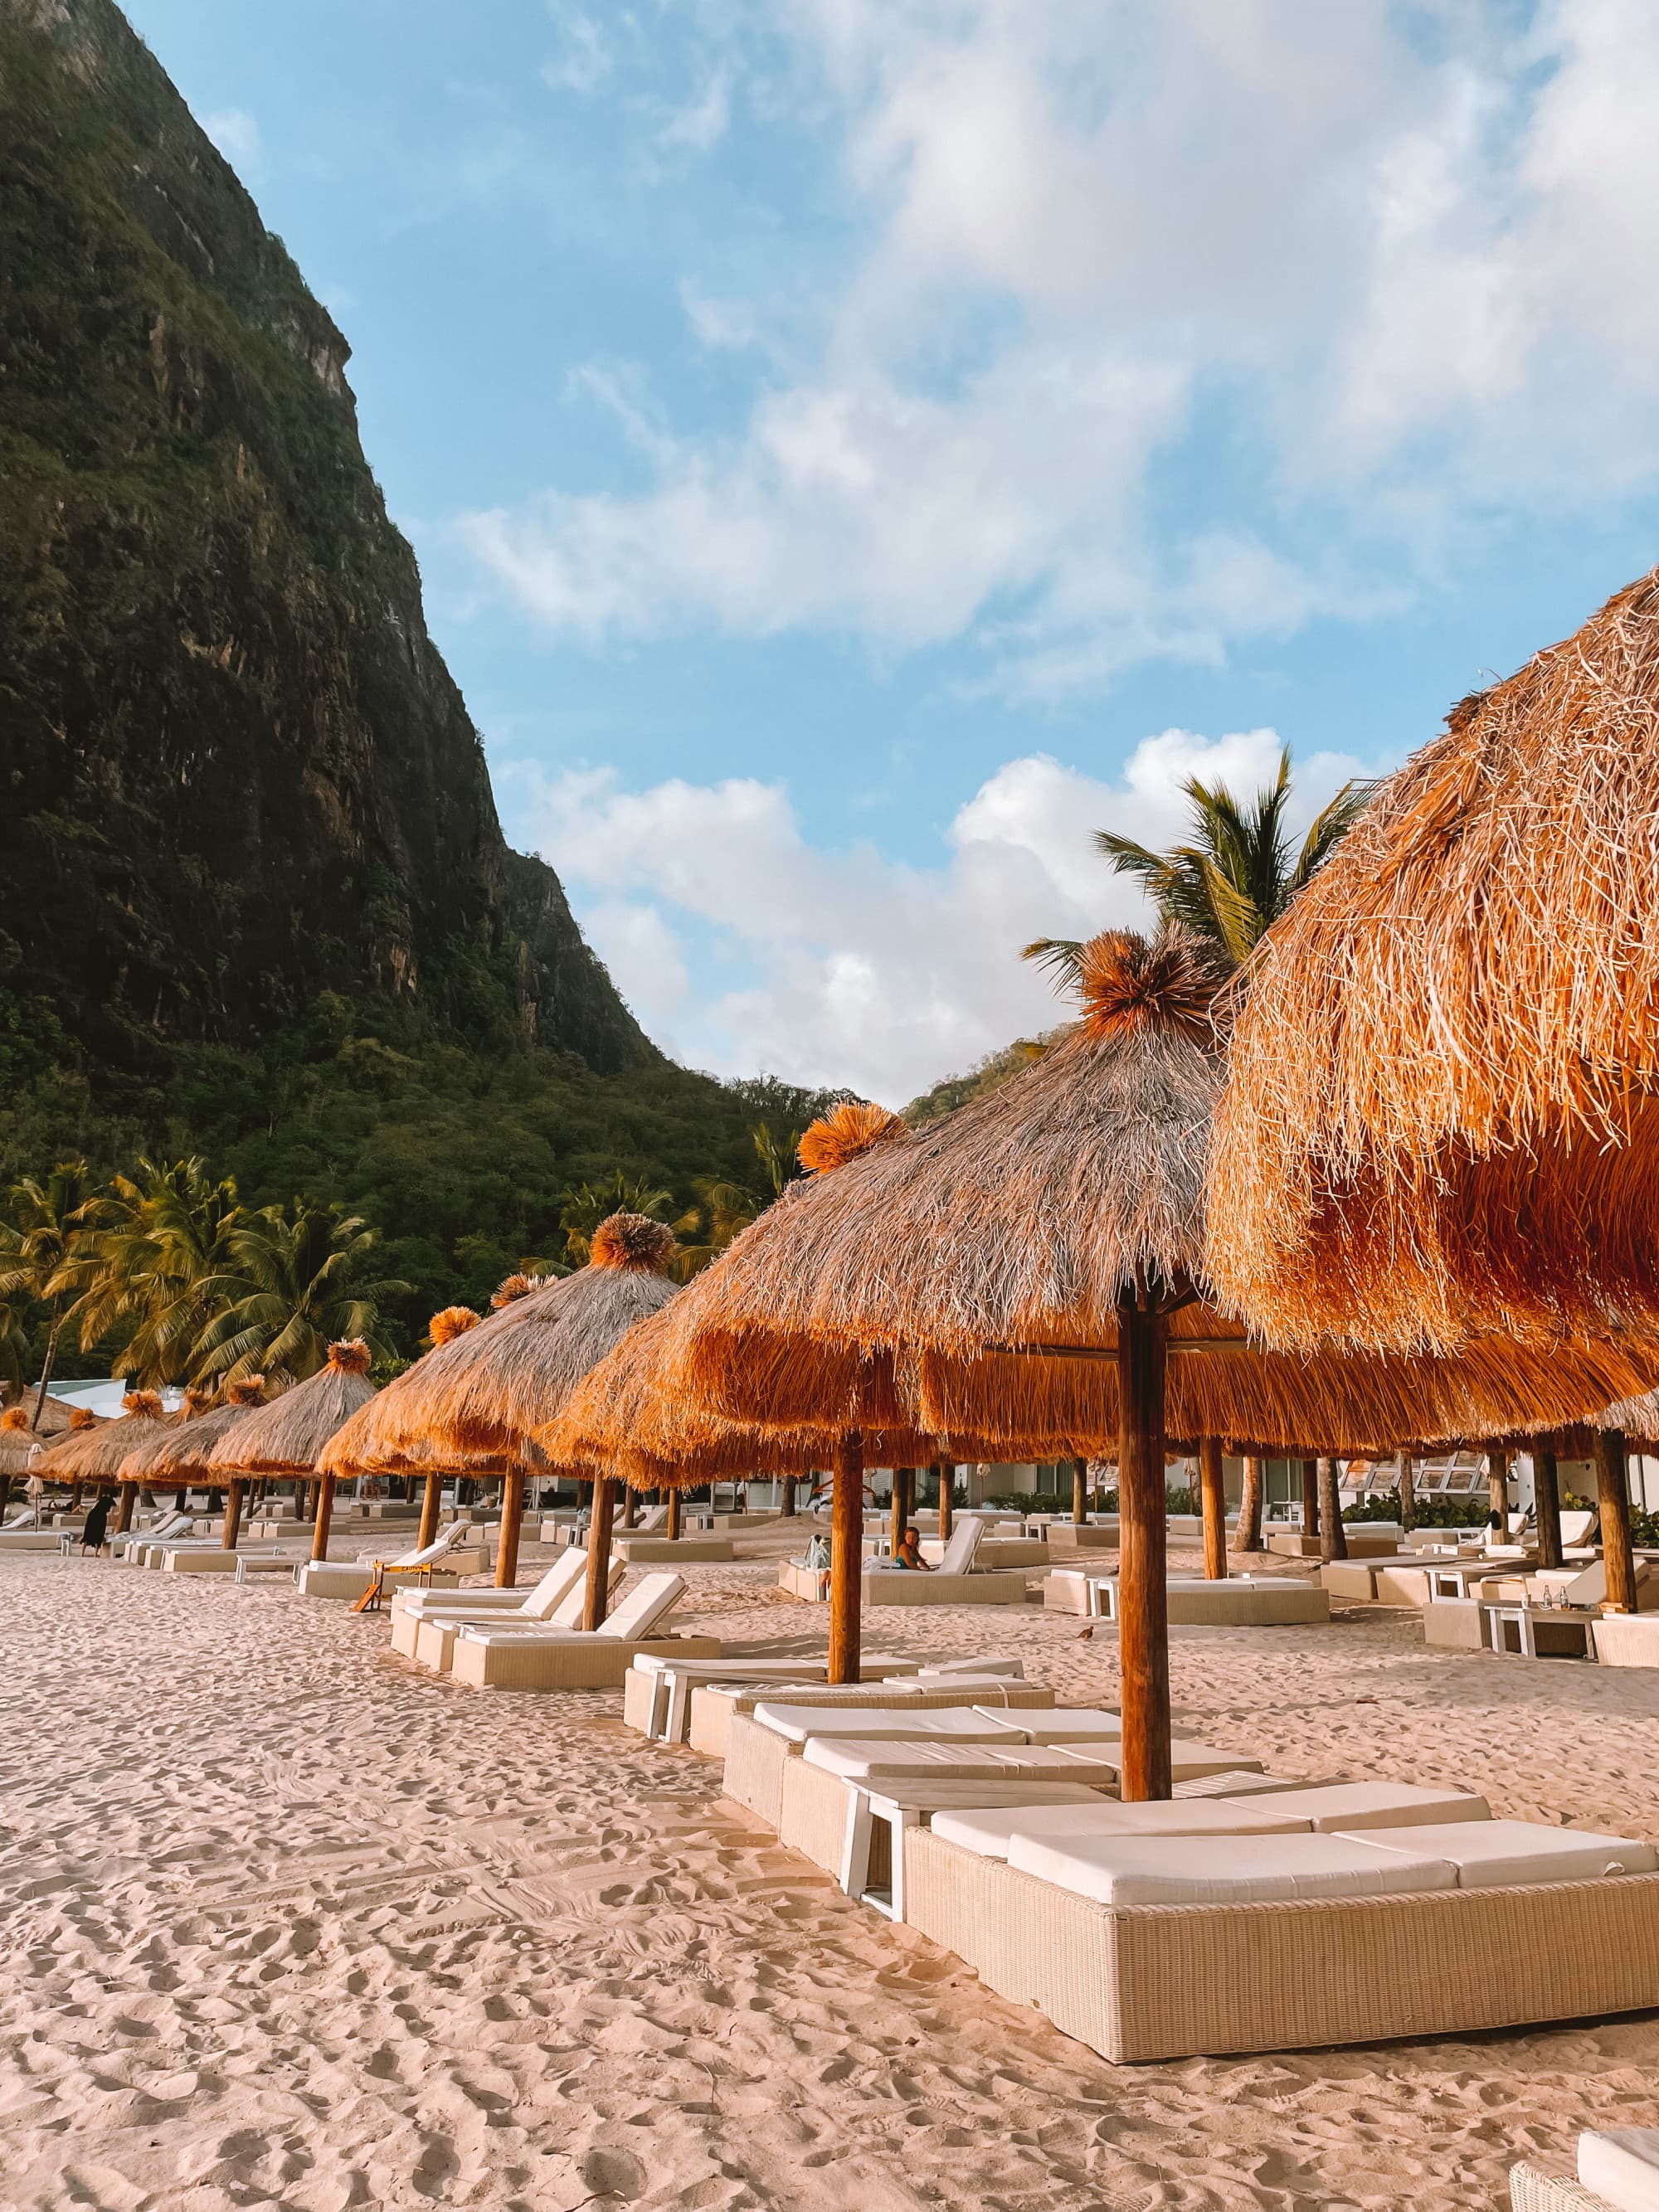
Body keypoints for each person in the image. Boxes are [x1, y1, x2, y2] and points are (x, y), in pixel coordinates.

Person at [80, 1490, 113, 1554]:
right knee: (99, 1535)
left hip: (92, 1515)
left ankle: (82, 1554)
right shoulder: (111, 1501)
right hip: (101, 1517)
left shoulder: (100, 1500)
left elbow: (93, 1508)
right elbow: (112, 1511)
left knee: (87, 1534)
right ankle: (95, 1554)